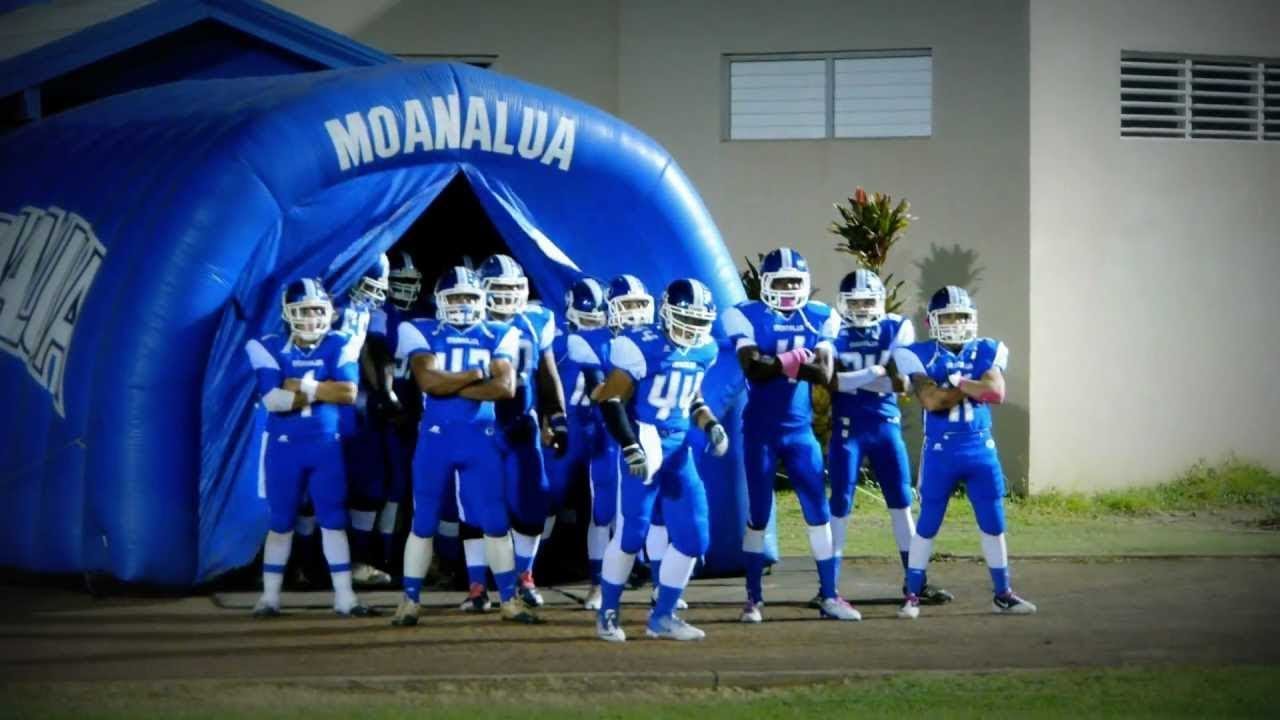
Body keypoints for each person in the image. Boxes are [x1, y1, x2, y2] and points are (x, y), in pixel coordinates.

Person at [389, 266, 539, 627]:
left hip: (479, 439)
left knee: (495, 520)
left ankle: (508, 600)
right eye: (455, 297)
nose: (462, 304)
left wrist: (450, 385)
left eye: (469, 297)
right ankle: (410, 600)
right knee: (423, 520)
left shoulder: (501, 332)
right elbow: (428, 382)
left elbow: (504, 388)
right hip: (437, 440)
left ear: (481, 299)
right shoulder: (419, 329)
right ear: (440, 301)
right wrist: (474, 375)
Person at [721, 248, 860, 623]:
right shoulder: (745, 314)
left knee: (818, 512)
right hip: (760, 432)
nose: (786, 290)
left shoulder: (820, 316)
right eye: (780, 282)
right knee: (758, 515)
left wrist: (776, 363)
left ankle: (829, 594)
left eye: (793, 282)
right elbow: (753, 369)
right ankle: (753, 598)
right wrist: (795, 360)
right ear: (765, 283)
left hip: (799, 432)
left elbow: (825, 374)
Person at [592, 278, 729, 642]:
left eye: (700, 321)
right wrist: (629, 445)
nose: (693, 328)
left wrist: (711, 424)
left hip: (679, 449)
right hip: (646, 441)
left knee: (695, 537)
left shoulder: (705, 350)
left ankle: (663, 616)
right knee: (631, 534)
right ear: (667, 313)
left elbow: (691, 397)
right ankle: (608, 612)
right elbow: (610, 400)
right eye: (687, 319)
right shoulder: (639, 345)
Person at [890, 286, 1036, 619]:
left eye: (961, 317)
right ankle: (912, 595)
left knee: (993, 522)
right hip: (941, 451)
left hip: (980, 449)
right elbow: (932, 401)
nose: (955, 323)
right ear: (931, 322)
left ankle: (1003, 593)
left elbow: (995, 392)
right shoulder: (917, 354)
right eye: (948, 317)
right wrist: (971, 386)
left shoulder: (988, 348)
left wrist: (955, 382)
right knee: (928, 523)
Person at [244, 278, 374, 617]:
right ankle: (269, 597)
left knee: (333, 518)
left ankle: (345, 597)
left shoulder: (340, 341)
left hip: (324, 446)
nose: (312, 318)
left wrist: (301, 384)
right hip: (284, 447)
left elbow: (348, 393)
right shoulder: (268, 345)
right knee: (281, 520)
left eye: (317, 310)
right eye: (303, 311)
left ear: (328, 311)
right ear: (288, 313)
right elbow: (274, 400)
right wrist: (323, 388)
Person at [825, 269, 952, 605]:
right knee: (839, 505)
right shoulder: (833, 327)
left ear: (880, 301)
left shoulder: (896, 326)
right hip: (848, 428)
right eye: (855, 302)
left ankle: (915, 581)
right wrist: (875, 373)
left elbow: (902, 383)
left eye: (868, 301)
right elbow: (831, 381)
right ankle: (828, 587)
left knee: (901, 504)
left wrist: (856, 378)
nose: (862, 308)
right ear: (843, 303)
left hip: (885, 427)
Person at [474, 254, 568, 611]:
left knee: (532, 501)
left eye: (514, 289)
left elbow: (547, 373)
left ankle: (525, 575)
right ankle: (475, 582)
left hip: (520, 424)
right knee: (478, 505)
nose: (507, 297)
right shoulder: (468, 322)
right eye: (499, 290)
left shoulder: (535, 319)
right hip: (479, 424)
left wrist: (557, 416)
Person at [545, 277, 619, 610]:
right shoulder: (558, 340)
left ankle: (600, 581)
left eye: (597, 318)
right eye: (586, 318)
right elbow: (542, 382)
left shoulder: (614, 340)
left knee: (604, 505)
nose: (592, 324)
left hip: (602, 428)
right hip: (568, 427)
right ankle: (527, 571)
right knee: (548, 498)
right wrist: (547, 419)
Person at [332, 253, 396, 587]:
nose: (372, 293)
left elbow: (369, 349)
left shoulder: (365, 310)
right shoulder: (326, 305)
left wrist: (383, 391)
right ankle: (304, 563)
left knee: (368, 484)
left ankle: (357, 558)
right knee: (314, 488)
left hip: (354, 402)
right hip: (323, 403)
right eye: (368, 284)